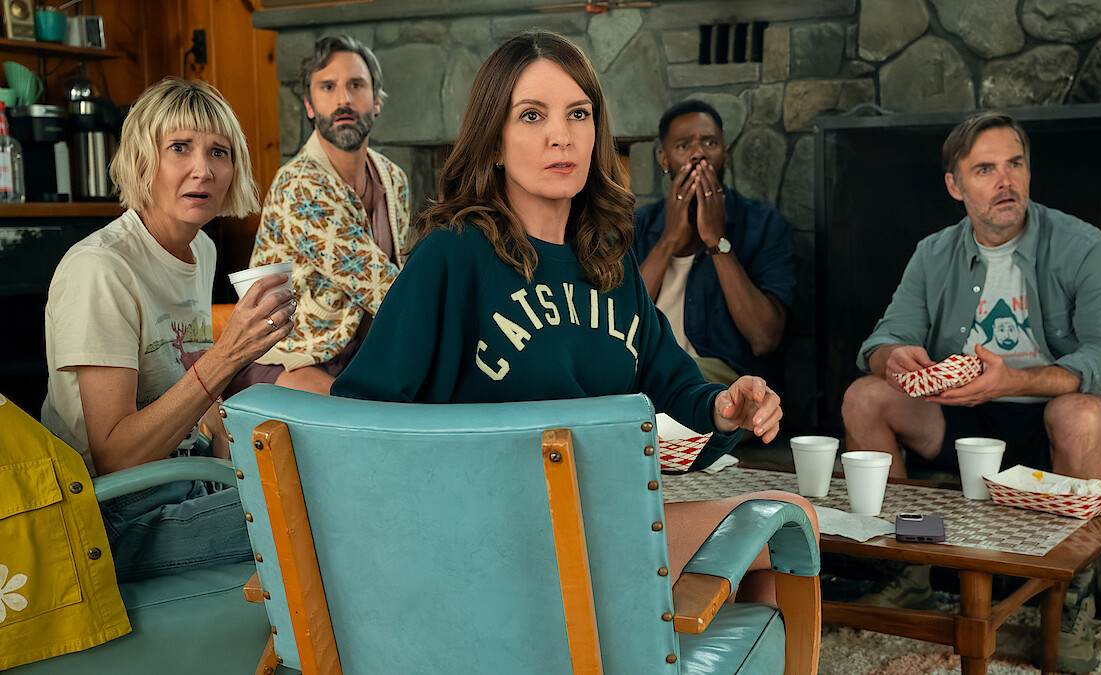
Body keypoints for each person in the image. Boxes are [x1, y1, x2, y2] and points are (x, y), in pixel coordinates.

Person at [332, 30, 815, 603]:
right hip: (490, 534)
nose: (561, 136)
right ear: (494, 141)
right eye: (532, 116)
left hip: (596, 514)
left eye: (578, 114)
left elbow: (670, 378)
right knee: (781, 524)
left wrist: (724, 404)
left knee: (780, 527)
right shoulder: (454, 253)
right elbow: (361, 415)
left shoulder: (607, 257)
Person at [840, 111, 1101, 672]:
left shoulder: (1085, 246)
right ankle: (911, 570)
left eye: (1015, 164)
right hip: (964, 417)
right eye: (986, 169)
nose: (1006, 181)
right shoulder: (932, 252)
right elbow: (885, 337)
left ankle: (1071, 601)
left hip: (1051, 420)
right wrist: (892, 358)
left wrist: (1015, 380)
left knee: (1081, 415)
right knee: (864, 396)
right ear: (955, 186)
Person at [41, 78, 297, 581]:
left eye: (218, 152)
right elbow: (115, 456)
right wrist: (227, 354)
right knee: (314, 512)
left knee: (321, 478)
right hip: (109, 516)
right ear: (142, 159)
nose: (202, 169)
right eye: (179, 148)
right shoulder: (100, 269)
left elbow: (198, 394)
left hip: (184, 477)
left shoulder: (200, 250)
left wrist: (231, 473)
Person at [243, 35, 410, 396]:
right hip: (288, 357)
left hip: (358, 357)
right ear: (308, 104)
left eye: (356, 85)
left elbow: (405, 271)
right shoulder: (300, 183)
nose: (343, 99)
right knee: (377, 417)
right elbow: (383, 286)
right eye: (328, 87)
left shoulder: (393, 178)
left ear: (376, 101)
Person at [632, 100, 797, 385]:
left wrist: (717, 241)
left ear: (726, 155)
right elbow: (619, 326)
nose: (699, 155)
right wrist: (668, 241)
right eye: (684, 146)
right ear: (664, 160)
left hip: (727, 383)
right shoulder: (637, 227)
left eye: (710, 143)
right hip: (647, 375)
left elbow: (763, 338)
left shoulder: (764, 225)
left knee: (683, 381)